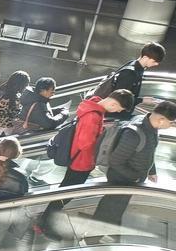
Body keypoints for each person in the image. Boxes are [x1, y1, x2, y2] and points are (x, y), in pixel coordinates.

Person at [41, 90, 136, 238]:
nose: (117, 111)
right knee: (65, 194)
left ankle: (44, 221)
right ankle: (45, 225)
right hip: (81, 163)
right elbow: (85, 143)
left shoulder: (93, 104)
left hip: (77, 159)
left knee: (64, 191)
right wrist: (103, 137)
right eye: (118, 108)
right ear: (113, 103)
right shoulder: (93, 116)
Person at [90, 100, 176, 237]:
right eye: (171, 123)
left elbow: (149, 150)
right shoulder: (134, 133)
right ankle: (91, 238)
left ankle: (108, 234)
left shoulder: (150, 127)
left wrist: (151, 171)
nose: (172, 126)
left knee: (116, 209)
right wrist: (134, 176)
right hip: (121, 179)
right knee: (109, 209)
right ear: (161, 119)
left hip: (130, 178)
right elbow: (115, 160)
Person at [90, 42, 164, 120]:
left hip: (119, 113)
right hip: (115, 115)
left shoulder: (134, 66)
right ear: (145, 57)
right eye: (154, 61)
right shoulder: (130, 74)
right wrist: (142, 100)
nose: (156, 64)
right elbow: (120, 98)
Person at [0, 71, 31, 139]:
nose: (26, 87)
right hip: (0, 132)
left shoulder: (3, 90)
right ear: (21, 84)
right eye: (26, 84)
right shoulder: (8, 97)